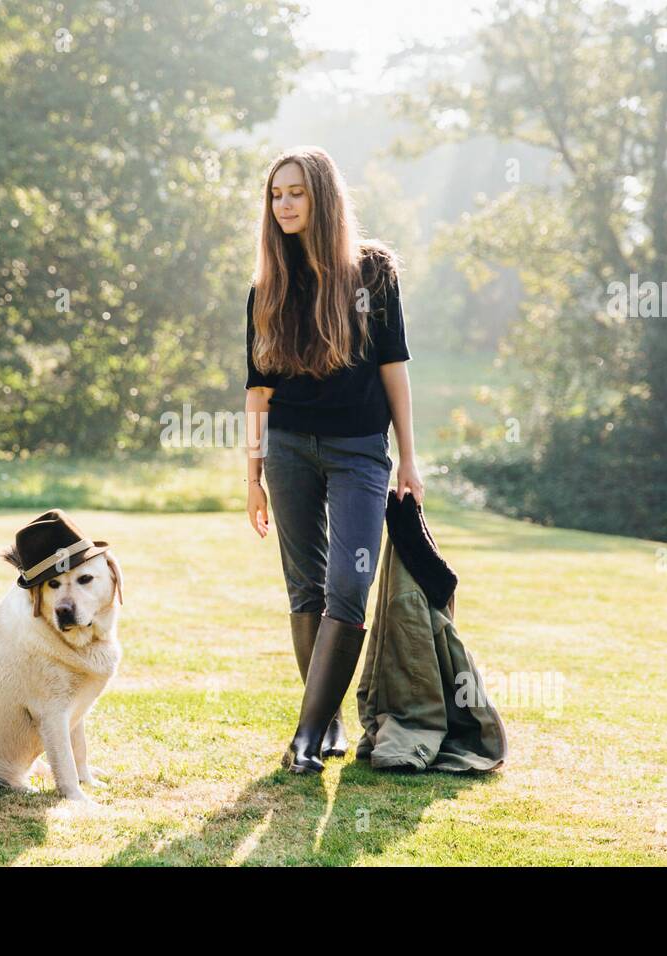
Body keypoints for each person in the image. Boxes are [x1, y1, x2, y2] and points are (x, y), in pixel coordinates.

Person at [244, 146, 423, 774]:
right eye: (275, 194)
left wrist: (409, 458)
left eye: (295, 192)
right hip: (288, 448)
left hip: (359, 453)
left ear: (322, 196)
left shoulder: (374, 274)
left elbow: (394, 368)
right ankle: (323, 726)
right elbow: (257, 391)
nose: (284, 204)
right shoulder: (269, 285)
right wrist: (253, 478)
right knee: (305, 588)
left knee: (350, 583)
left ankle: (305, 732)